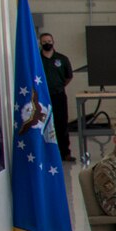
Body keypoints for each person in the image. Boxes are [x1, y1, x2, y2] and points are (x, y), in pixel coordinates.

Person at [40, 29, 75, 162]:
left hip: (59, 95)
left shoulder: (62, 59)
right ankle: (46, 154)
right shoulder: (37, 60)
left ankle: (65, 152)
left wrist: (58, 86)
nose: (47, 43)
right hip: (42, 97)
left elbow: (68, 77)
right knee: (43, 125)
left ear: (53, 42)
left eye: (49, 41)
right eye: (44, 42)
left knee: (61, 124)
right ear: (40, 44)